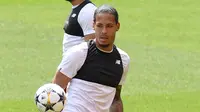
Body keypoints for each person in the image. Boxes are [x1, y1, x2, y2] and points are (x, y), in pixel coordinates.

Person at [52, 4, 130, 112]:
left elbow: (115, 99)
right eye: (99, 26)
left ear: (117, 26)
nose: (104, 31)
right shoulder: (78, 53)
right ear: (93, 25)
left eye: (109, 26)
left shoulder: (123, 60)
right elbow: (54, 92)